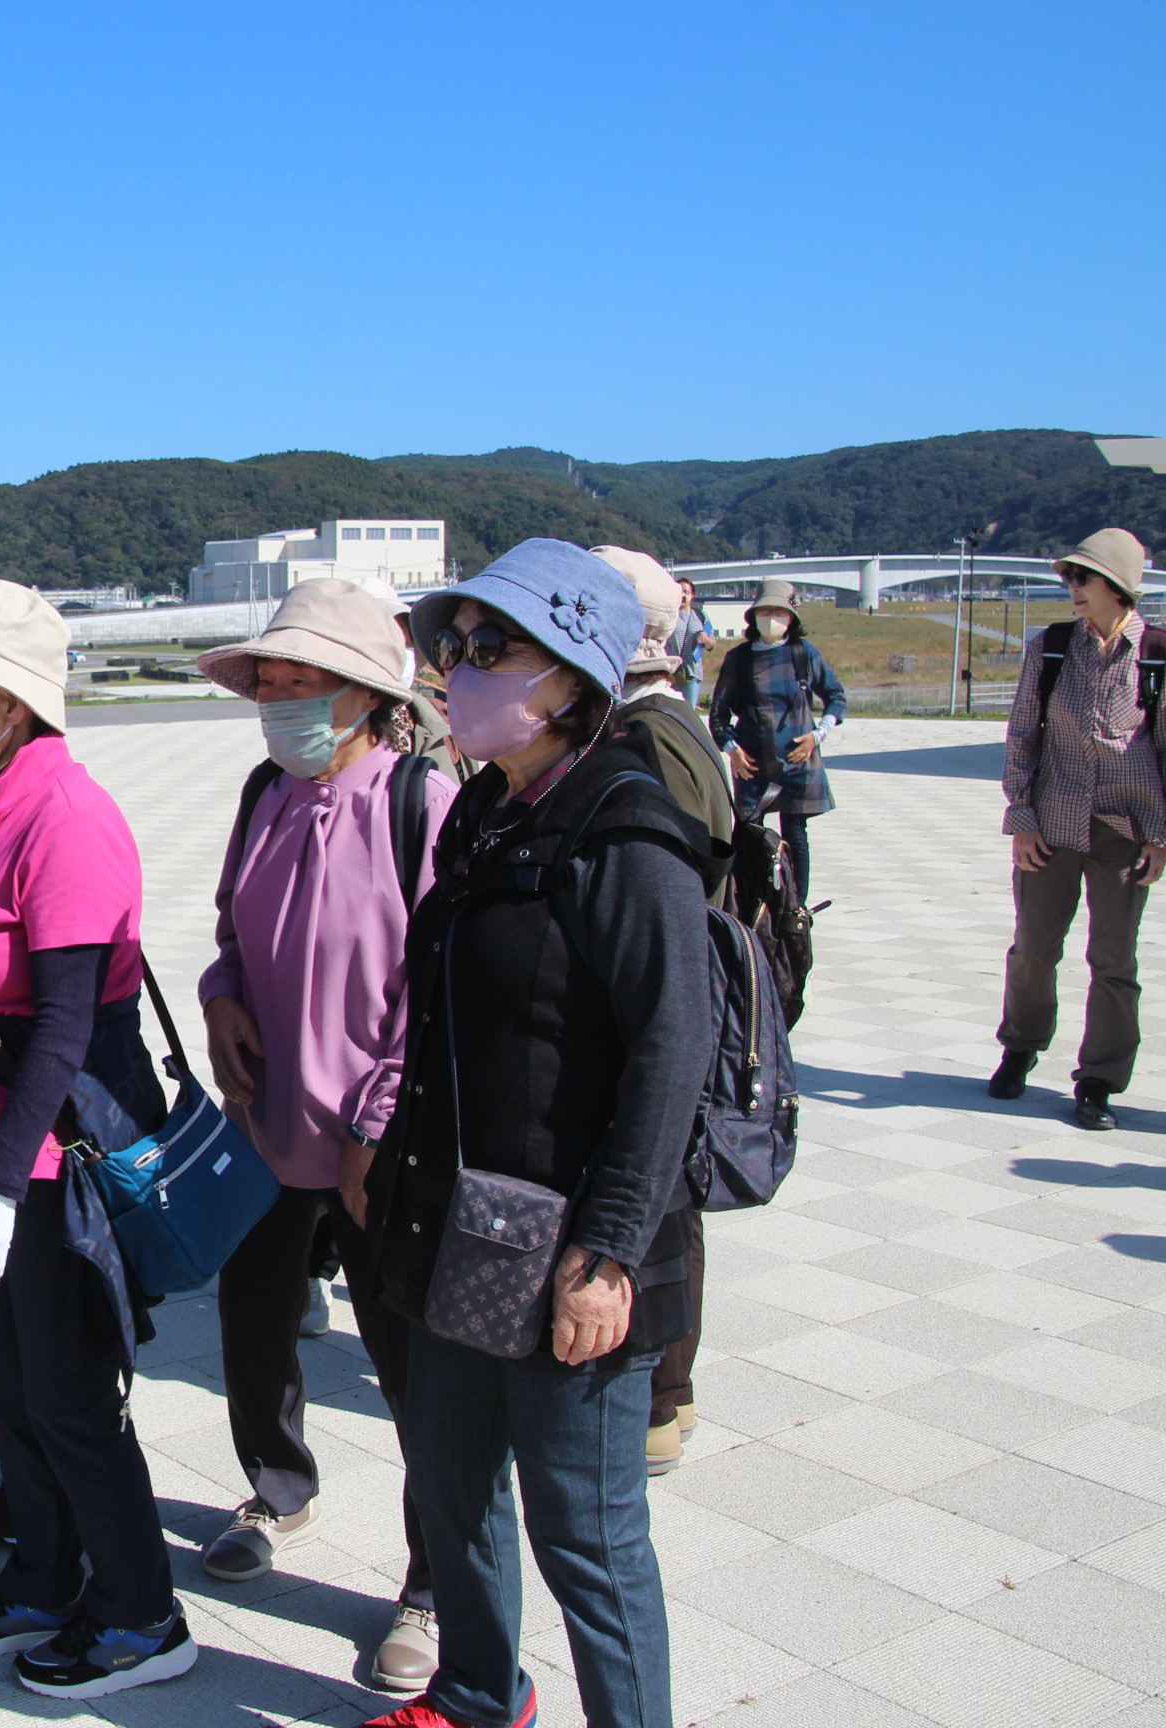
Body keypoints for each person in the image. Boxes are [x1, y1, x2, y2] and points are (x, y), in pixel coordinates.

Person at [360, 539, 712, 1728]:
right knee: (452, 1485)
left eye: (490, 648)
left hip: (571, 1240)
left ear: (571, 678)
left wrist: (607, 1253)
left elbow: (671, 1059)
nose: (457, 670)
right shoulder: (486, 813)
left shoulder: (628, 835)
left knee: (589, 1535)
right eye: (449, 646)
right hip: (457, 1220)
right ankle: (473, 1696)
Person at [0, 581, 193, 1701]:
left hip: (53, 1160)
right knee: (14, 1389)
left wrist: (1, 1187)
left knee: (70, 1397)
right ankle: (41, 1578)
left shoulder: (62, 815)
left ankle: (141, 1615)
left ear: (7, 705)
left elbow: (67, 1020)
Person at [189, 579, 455, 1695]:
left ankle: (436, 1584)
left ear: (365, 696)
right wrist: (221, 1000)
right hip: (265, 1123)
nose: (283, 703)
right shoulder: (263, 792)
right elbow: (227, 936)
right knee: (255, 1330)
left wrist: (378, 1122)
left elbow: (440, 987)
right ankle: (277, 1489)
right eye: (272, 684)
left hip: (375, 1148)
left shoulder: (422, 805)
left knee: (413, 1372)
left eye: (309, 686)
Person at [596, 545, 736, 1481]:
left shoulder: (642, 741)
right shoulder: (677, 721)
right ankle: (664, 1396)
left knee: (656, 1193)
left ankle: (657, 1395)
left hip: (659, 1002)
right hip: (686, 991)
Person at [991, 527, 1166, 1132]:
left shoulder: (1164, 654)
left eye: (1083, 577)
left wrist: (1162, 832)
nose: (1073, 588)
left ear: (1118, 584)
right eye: (1070, 578)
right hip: (1051, 826)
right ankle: (1019, 1048)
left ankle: (1100, 1079)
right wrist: (1022, 819)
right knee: (1033, 948)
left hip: (1123, 831)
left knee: (1113, 959)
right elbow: (1021, 737)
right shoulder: (1051, 647)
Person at [709, 577, 846, 899]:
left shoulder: (803, 653)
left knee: (796, 834)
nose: (771, 619)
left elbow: (836, 698)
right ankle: (751, 901)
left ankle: (796, 906)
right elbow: (718, 715)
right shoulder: (739, 659)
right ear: (754, 616)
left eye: (779, 612)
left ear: (792, 619)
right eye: (765, 611)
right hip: (753, 763)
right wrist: (732, 750)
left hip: (799, 762)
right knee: (750, 833)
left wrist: (816, 735)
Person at [668, 578, 711, 708]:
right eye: (679, 591)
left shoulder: (701, 616)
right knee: (669, 711)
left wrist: (706, 639)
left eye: (686, 591)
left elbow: (711, 645)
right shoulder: (669, 614)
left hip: (692, 671)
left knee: (689, 711)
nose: (682, 595)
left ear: (692, 595)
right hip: (670, 671)